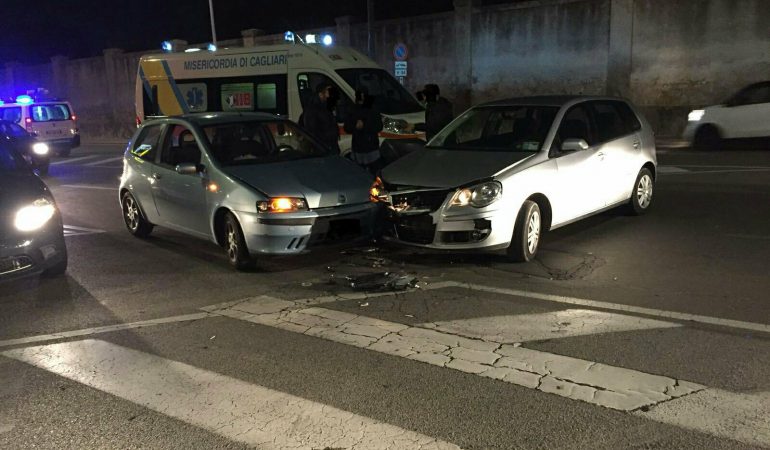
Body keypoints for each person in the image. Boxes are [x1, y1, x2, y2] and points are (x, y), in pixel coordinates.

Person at [344, 89, 383, 174]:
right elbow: (347, 127)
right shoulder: (352, 109)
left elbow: (379, 126)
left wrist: (364, 126)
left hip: (371, 147)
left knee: (374, 173)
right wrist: (355, 126)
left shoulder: (373, 109)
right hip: (358, 148)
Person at [302, 83, 340, 154]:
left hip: (331, 147)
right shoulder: (313, 110)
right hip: (322, 150)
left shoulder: (328, 108)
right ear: (321, 95)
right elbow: (312, 132)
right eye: (329, 92)